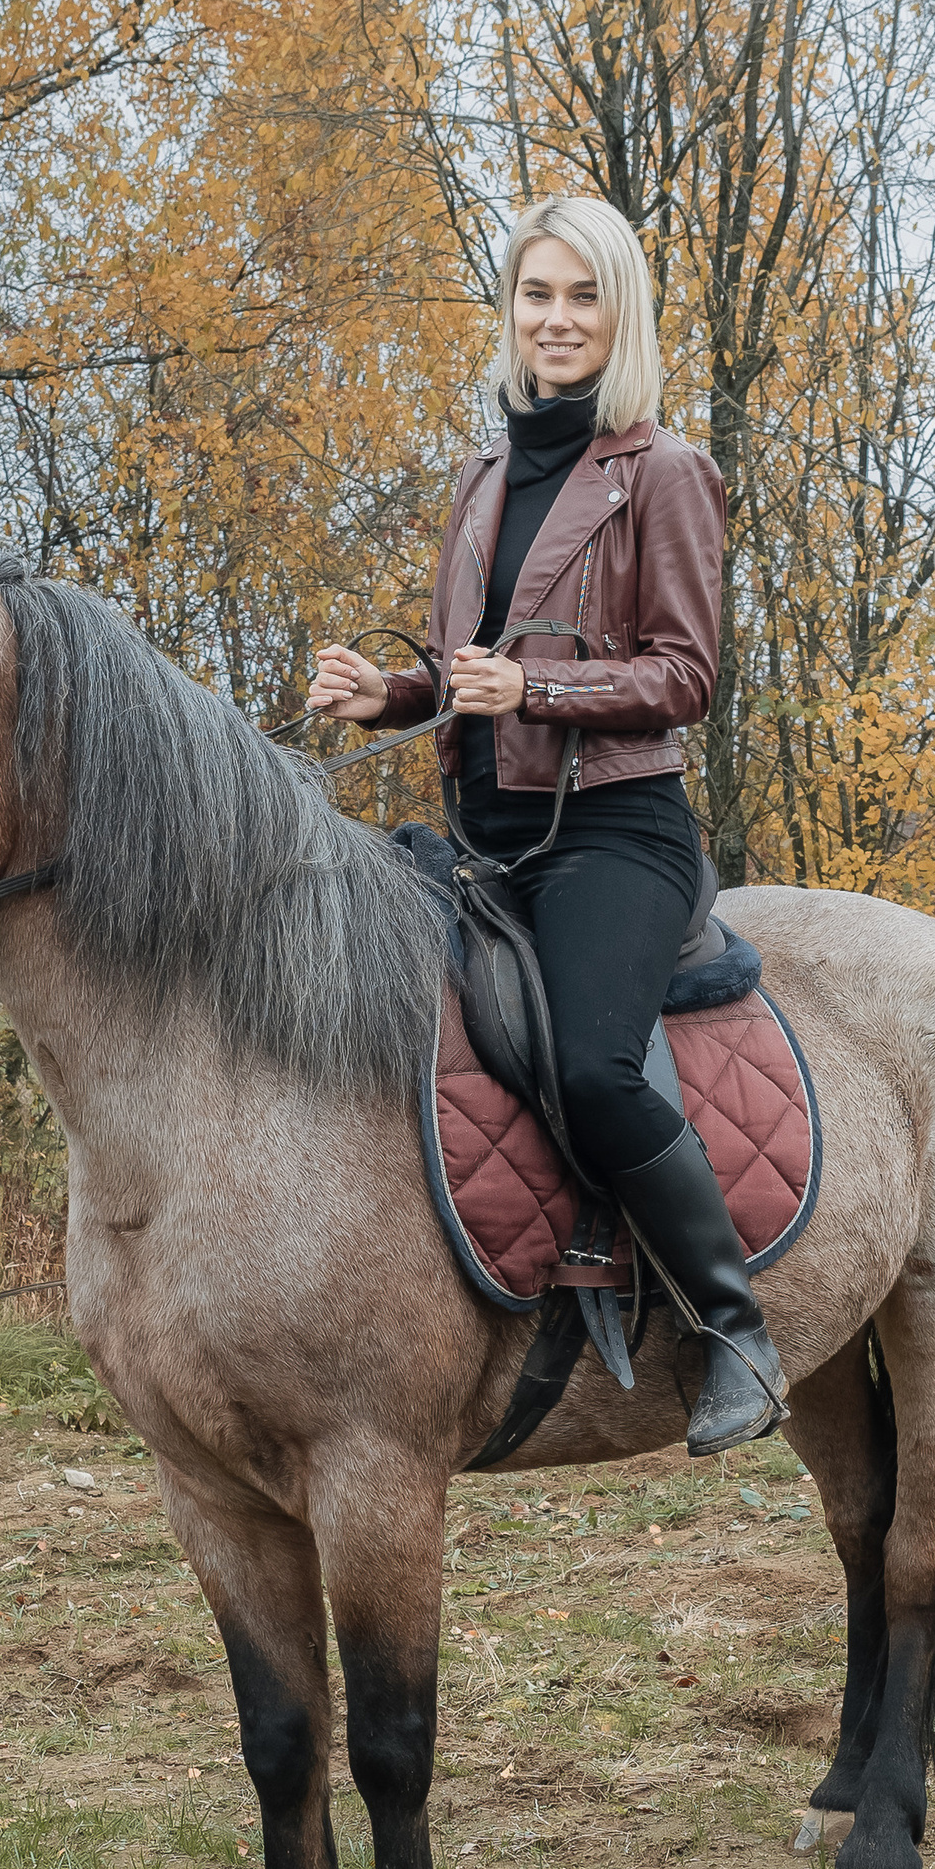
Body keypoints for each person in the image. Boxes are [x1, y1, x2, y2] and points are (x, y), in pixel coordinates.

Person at [308, 194, 787, 1453]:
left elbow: (685, 676)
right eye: (536, 295)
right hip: (484, 834)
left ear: (617, 312)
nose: (556, 320)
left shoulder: (664, 472)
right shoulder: (479, 476)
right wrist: (393, 694)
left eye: (582, 297)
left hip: (615, 830)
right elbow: (481, 666)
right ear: (510, 312)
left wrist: (541, 690)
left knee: (590, 1065)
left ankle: (733, 1322)